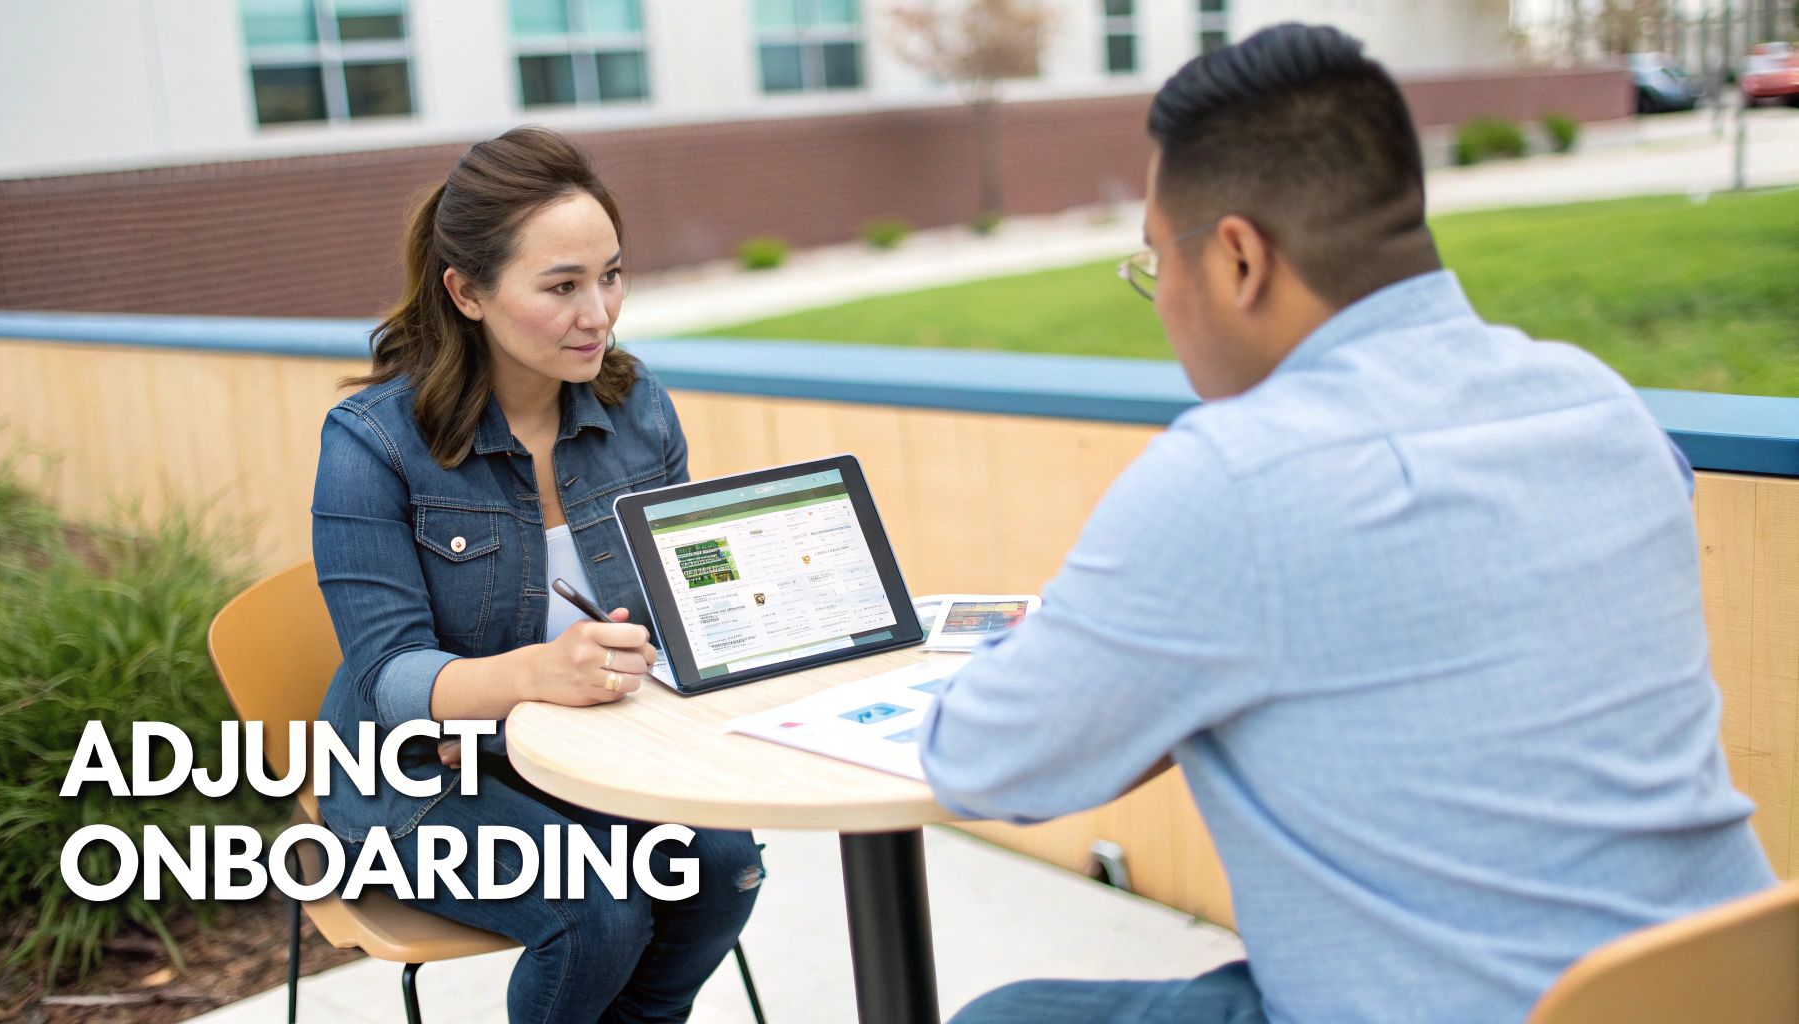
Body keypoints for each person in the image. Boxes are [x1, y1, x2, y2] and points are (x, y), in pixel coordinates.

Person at [920, 23, 1775, 1024]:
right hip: (1724, 988)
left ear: (1237, 258)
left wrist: (1106, 661)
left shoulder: (1232, 478)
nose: (1160, 302)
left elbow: (985, 764)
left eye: (1156, 265)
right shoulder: (1600, 407)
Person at [311, 125, 763, 1024]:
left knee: (723, 867)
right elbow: (389, 676)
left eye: (611, 275)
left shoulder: (636, 409)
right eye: (561, 287)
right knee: (594, 909)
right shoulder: (371, 443)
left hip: (582, 752)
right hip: (414, 775)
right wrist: (526, 686)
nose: (598, 312)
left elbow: (674, 608)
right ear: (467, 293)